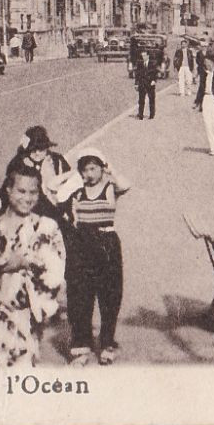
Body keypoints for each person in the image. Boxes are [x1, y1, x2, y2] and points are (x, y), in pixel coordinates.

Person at [0, 162, 68, 367]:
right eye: (21, 191)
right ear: (8, 189)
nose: (27, 198)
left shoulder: (46, 227)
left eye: (33, 192)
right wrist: (1, 267)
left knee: (23, 380)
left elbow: (55, 273)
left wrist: (22, 263)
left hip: (26, 320)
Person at [64, 148, 131, 366]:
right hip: (82, 244)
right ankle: (81, 344)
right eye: (85, 169)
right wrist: (73, 177)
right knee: (82, 295)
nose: (90, 173)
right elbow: (56, 192)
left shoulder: (110, 187)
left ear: (101, 169)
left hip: (107, 244)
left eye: (94, 168)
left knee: (109, 296)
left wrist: (110, 168)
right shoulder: (78, 189)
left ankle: (107, 343)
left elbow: (125, 184)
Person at [4, 125, 73, 221]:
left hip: (61, 206)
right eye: (32, 150)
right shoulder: (20, 165)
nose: (37, 153)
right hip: (33, 212)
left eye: (41, 149)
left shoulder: (57, 160)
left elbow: (70, 183)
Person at [131, 46, 158, 121]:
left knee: (151, 100)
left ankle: (152, 115)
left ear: (148, 56)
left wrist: (154, 80)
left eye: (145, 55)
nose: (143, 57)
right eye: (142, 56)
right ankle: (140, 115)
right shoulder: (140, 64)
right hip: (142, 84)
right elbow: (137, 75)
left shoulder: (153, 63)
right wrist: (136, 84)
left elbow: (155, 73)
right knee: (141, 100)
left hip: (150, 84)